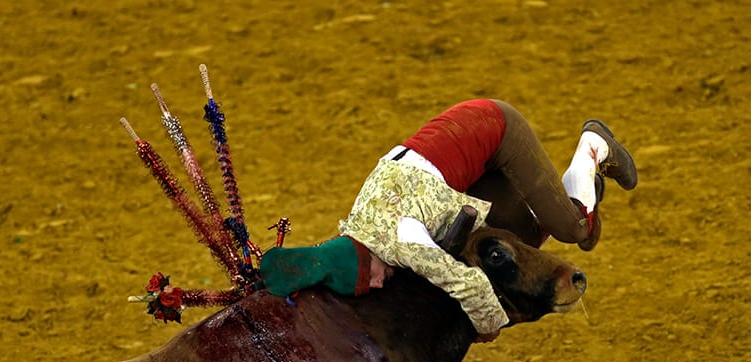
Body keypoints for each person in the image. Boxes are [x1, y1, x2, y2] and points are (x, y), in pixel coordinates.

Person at [259, 99, 637, 341]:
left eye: (369, 278)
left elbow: (467, 285)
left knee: (575, 230)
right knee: (515, 237)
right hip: (463, 159)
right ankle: (577, 195)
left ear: (365, 255)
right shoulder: (364, 224)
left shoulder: (402, 236)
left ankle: (594, 143)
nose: (377, 283)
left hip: (494, 129)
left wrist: (488, 326)